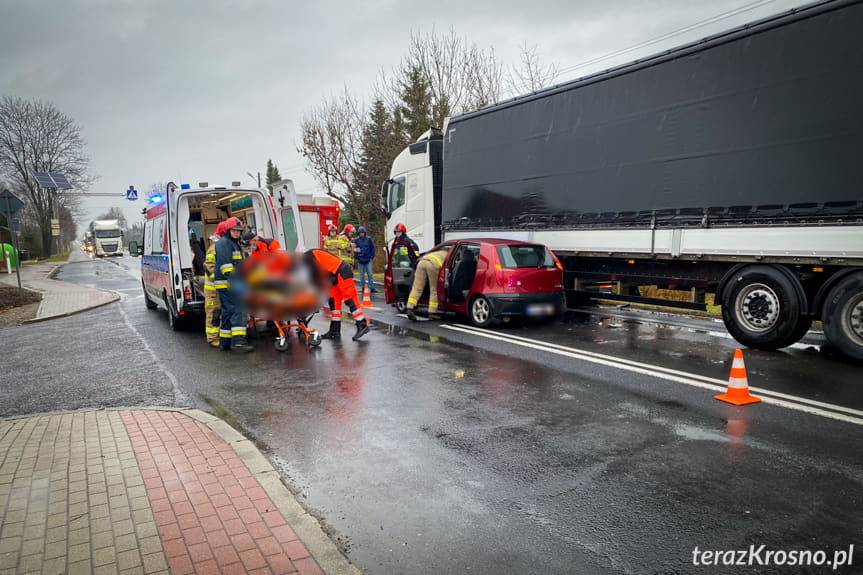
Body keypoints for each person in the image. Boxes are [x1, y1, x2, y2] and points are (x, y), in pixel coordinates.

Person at [304, 248, 370, 341]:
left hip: (341, 272)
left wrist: (315, 286)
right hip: (333, 276)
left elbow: (314, 274)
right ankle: (334, 331)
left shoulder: (307, 257)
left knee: (350, 299)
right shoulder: (308, 256)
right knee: (334, 303)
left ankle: (362, 324)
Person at [214, 217, 254, 352]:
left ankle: (224, 342)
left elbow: (238, 263)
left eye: (238, 231)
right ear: (228, 230)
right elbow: (226, 267)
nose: (237, 233)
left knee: (227, 312)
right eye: (234, 230)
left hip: (228, 283)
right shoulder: (225, 243)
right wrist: (239, 281)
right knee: (239, 310)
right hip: (229, 283)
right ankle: (238, 343)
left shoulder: (232, 243)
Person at [406, 248, 448, 321]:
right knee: (434, 289)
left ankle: (409, 307)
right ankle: (432, 312)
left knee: (416, 287)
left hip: (422, 262)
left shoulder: (438, 252)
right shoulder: (449, 254)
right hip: (433, 265)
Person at [203, 221, 227, 347]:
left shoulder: (223, 246)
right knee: (213, 313)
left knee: (221, 312)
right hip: (213, 290)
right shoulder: (214, 248)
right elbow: (210, 268)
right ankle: (212, 338)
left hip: (220, 288)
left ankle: (220, 336)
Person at [354, 226, 376, 295]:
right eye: (360, 233)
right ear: (358, 233)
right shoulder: (356, 240)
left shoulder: (369, 239)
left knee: (370, 274)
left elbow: (372, 248)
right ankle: (363, 287)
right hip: (360, 260)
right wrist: (357, 257)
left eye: (362, 233)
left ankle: (372, 287)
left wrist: (372, 256)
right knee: (361, 275)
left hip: (368, 259)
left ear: (364, 233)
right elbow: (355, 249)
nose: (361, 234)